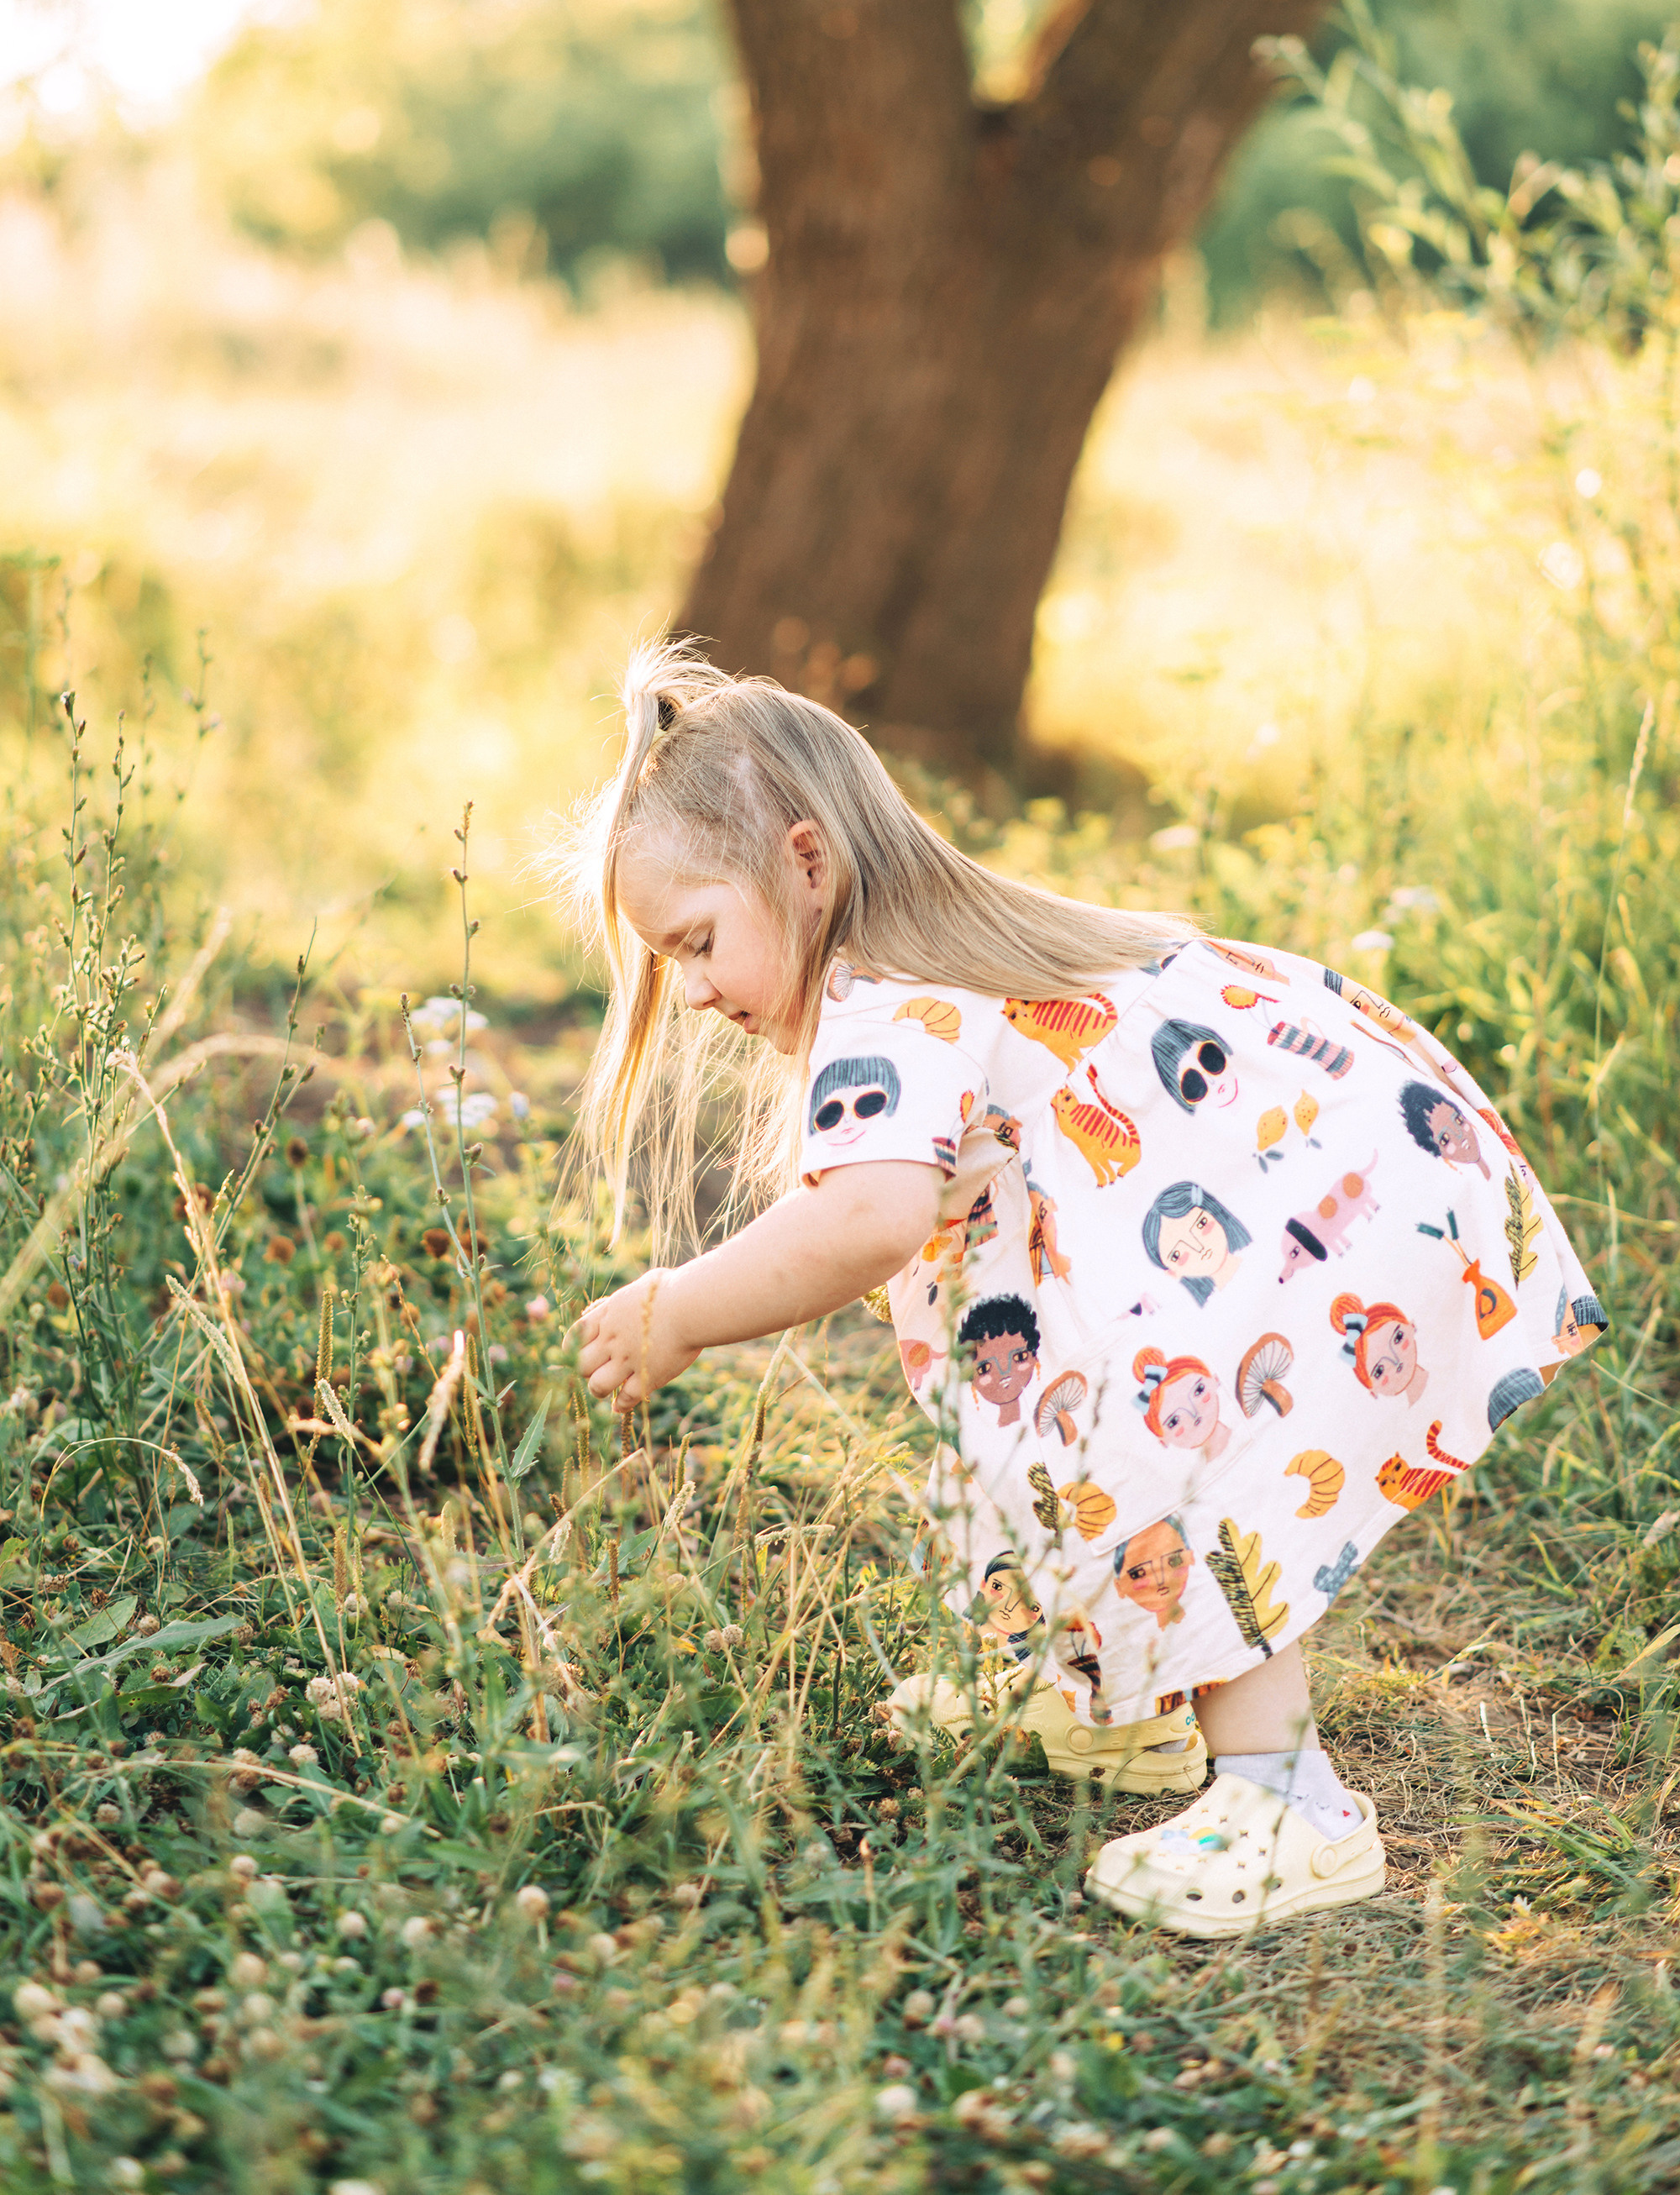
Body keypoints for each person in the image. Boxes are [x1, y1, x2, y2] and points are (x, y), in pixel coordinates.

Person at [566, 646, 1604, 1938]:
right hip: (1355, 1156)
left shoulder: (884, 991)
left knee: (1173, 1444)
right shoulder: (933, 953)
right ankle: (1117, 1703)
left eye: (699, 942)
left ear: (807, 862)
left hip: (1342, 1192)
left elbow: (868, 1219)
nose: (695, 989)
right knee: (1045, 1405)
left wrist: (677, 1309)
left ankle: (1292, 1802)